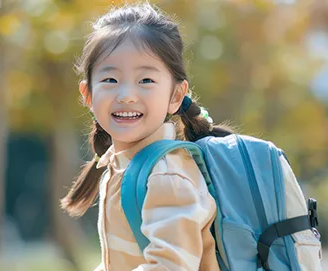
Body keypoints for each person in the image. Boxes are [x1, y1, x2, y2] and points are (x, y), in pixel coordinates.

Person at [61, 3, 233, 270]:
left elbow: (170, 265)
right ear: (88, 95)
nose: (127, 95)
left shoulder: (166, 173)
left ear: (176, 95)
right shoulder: (121, 165)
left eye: (146, 81)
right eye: (110, 80)